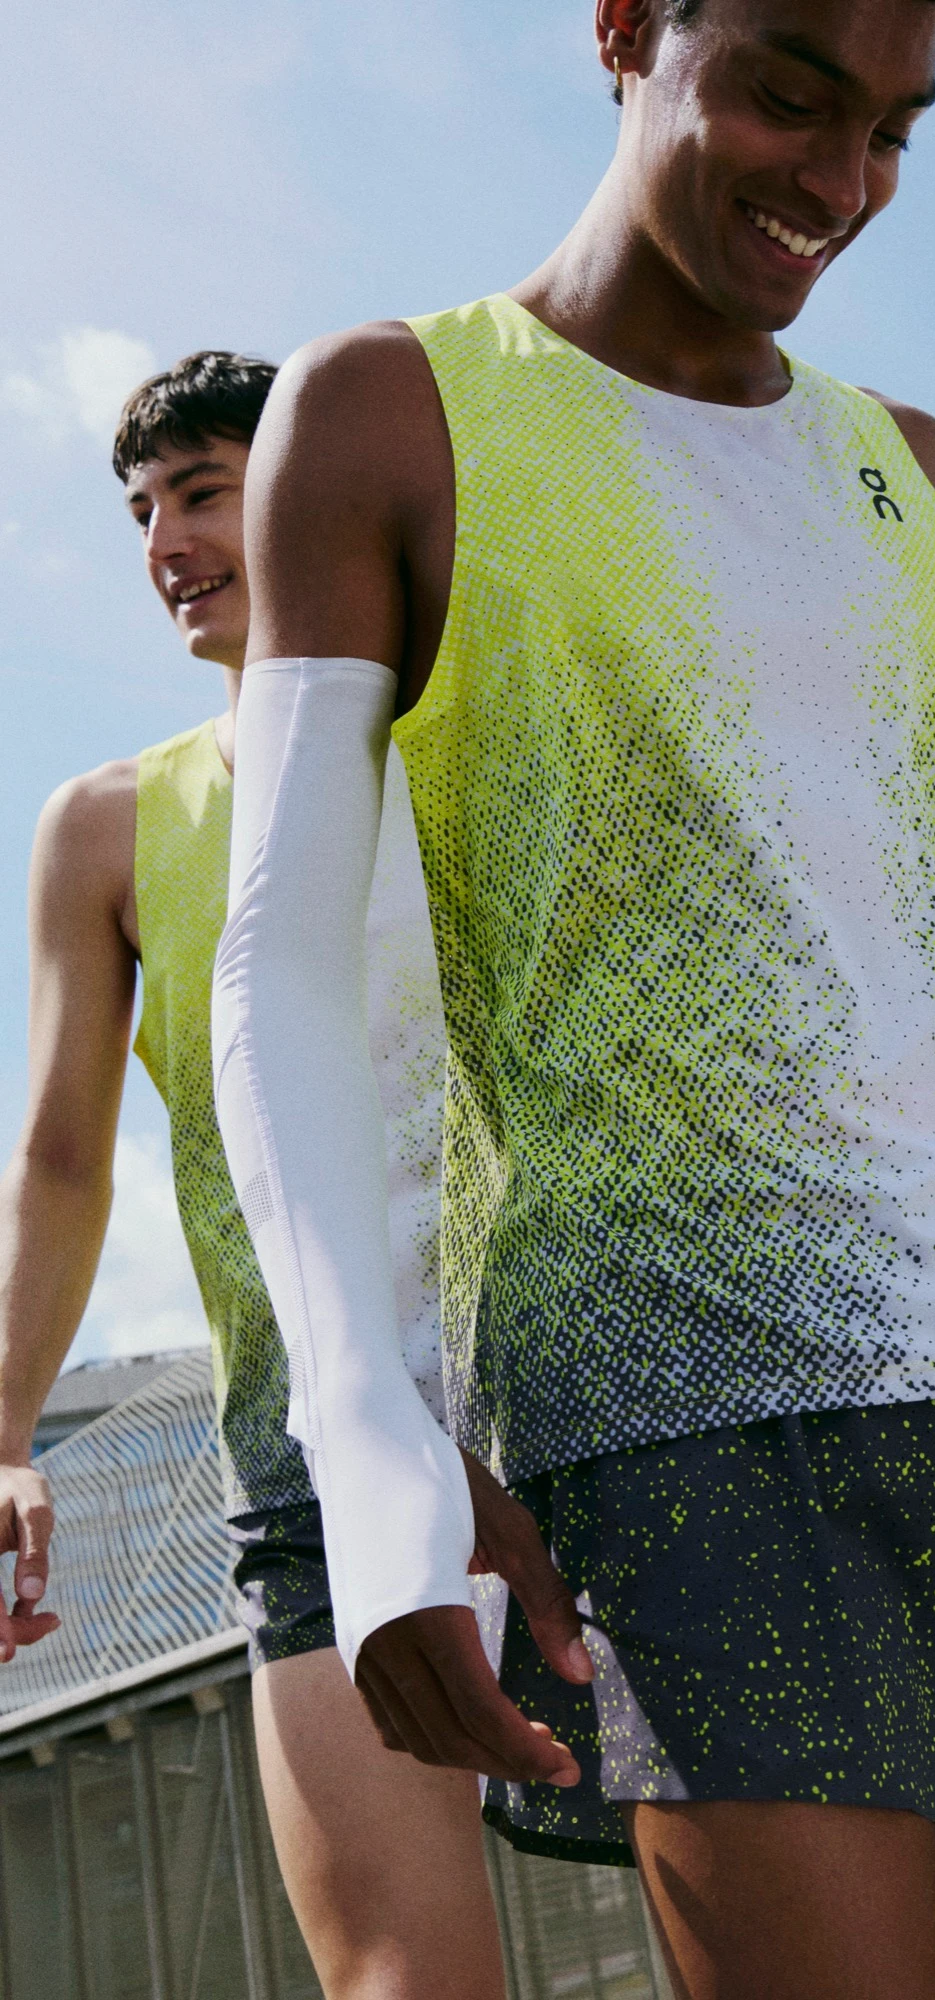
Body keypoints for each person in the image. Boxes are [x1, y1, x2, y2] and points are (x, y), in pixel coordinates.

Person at [214, 3, 935, 1995]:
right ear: (626, 27)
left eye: (892, 126)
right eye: (787, 94)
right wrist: (377, 1439)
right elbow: (281, 972)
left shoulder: (904, 466)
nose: (838, 183)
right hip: (691, 1438)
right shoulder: (390, 409)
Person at [0, 352, 514, 2000]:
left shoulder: (473, 732)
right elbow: (63, 1154)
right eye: (143, 511)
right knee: (394, 1970)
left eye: (204, 491)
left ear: (298, 495)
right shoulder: (102, 829)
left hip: (581, 1404)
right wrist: (1, 1433)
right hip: (308, 1461)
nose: (164, 540)